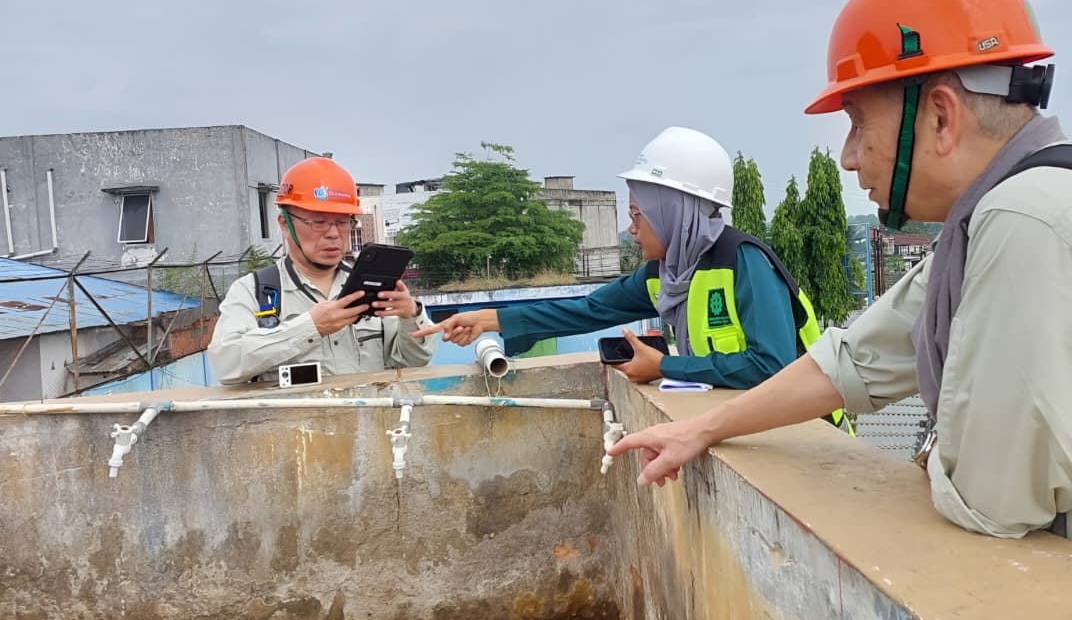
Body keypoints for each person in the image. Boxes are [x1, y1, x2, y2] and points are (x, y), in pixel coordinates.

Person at [608, 0, 1072, 620]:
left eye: (858, 122)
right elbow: (850, 360)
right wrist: (701, 428)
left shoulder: (1031, 222)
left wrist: (939, 452)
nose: (847, 155)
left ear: (940, 117)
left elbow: (991, 501)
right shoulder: (999, 218)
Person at [418, 128, 848, 426]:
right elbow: (585, 310)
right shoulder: (665, 273)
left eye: (640, 216)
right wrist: (489, 319)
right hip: (752, 428)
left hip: (812, 436)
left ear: (674, 213)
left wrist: (664, 365)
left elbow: (770, 365)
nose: (631, 229)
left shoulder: (744, 262)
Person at [209, 156, 437, 384]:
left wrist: (410, 314)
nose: (333, 233)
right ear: (284, 223)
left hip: (368, 419)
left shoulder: (371, 290)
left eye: (342, 222)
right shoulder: (255, 291)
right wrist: (310, 327)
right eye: (319, 222)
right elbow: (226, 365)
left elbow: (413, 361)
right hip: (293, 421)